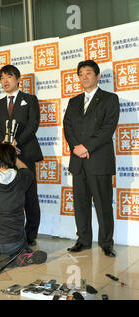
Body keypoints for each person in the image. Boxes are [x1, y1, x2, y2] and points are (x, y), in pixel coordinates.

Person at [63, 60, 119, 258]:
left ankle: (106, 243)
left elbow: (108, 129)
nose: (84, 77)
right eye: (80, 74)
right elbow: (67, 127)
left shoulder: (110, 99)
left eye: (88, 73)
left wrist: (87, 147)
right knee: (80, 203)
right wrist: (76, 149)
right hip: (78, 161)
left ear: (97, 76)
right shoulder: (73, 101)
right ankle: (84, 240)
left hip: (99, 160)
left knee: (103, 204)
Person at [0, 64, 43, 246]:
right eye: (2, 78)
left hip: (25, 153)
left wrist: (16, 143)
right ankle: (11, 232)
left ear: (18, 79)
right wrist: (5, 144)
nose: (5, 81)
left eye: (9, 77)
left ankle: (31, 235)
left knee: (29, 195)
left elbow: (33, 124)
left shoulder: (29, 99)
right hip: (5, 157)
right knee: (9, 196)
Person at [0, 144, 47, 267]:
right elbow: (26, 170)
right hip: (14, 244)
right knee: (21, 244)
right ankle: (20, 256)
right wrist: (12, 155)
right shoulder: (21, 179)